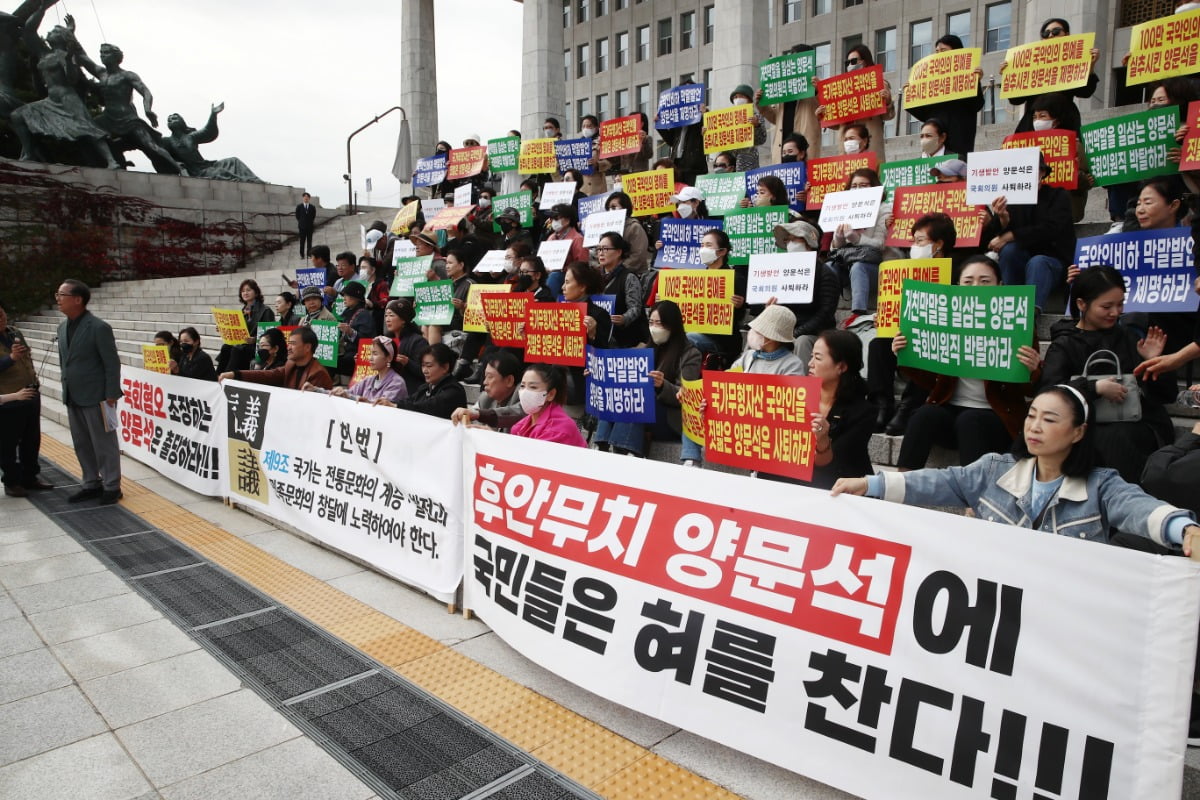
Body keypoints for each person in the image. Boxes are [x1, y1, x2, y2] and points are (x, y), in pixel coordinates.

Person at [831, 385, 1200, 556]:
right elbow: (936, 481)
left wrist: (1182, 529)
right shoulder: (994, 470)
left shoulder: (1101, 486)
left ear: (1078, 432)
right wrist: (869, 484)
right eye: (1032, 416)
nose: (1035, 427)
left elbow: (1139, 509)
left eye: (1050, 419)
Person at [892, 256, 1043, 470]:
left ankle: (971, 501)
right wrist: (905, 354)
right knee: (923, 414)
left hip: (997, 418)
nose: (976, 287)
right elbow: (929, 381)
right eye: (968, 281)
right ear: (957, 287)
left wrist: (1033, 369)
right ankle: (901, 484)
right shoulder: (945, 321)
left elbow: (1029, 389)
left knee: (970, 420)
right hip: (950, 412)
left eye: (984, 281)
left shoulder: (1018, 324)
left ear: (1000, 286)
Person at [1040, 265, 1176, 483]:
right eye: (1106, 306)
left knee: (1121, 438)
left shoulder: (1129, 338)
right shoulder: (1065, 344)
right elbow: (1050, 392)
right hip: (1083, 425)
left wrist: (1152, 362)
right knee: (1100, 439)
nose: (1116, 312)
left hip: (1134, 425)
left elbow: (1166, 395)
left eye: (1120, 304)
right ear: (1081, 304)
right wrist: (1094, 388)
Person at [867, 212, 955, 434]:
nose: (915, 247)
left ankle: (908, 407)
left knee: (925, 347)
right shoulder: (905, 273)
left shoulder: (958, 274)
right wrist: (886, 317)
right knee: (878, 345)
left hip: (937, 339)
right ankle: (882, 404)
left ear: (939, 244)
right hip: (904, 334)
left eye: (920, 241)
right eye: (913, 241)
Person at [594, 300, 701, 456]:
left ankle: (625, 450)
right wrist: (599, 373)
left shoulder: (690, 354)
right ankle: (601, 445)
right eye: (651, 322)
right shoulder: (644, 348)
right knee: (619, 390)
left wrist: (662, 385)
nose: (654, 328)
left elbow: (688, 395)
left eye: (659, 323)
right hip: (642, 416)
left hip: (669, 418)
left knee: (642, 395)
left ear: (672, 325)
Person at [55, 279, 123, 505]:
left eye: (61, 294)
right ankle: (90, 483)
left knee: (104, 443)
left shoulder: (98, 327)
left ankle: (112, 486)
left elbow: (111, 363)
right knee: (82, 442)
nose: (57, 299)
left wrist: (111, 393)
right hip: (73, 394)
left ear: (78, 299)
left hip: (97, 396)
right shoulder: (62, 327)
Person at [782, 329, 874, 489]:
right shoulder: (795, 397)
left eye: (818, 358)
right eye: (811, 357)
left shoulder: (863, 412)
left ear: (841, 367)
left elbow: (833, 466)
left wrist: (822, 440)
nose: (810, 364)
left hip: (840, 487)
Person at [982, 155, 1072, 313]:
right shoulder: (1011, 198)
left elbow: (1051, 228)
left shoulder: (1058, 195)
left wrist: (1010, 235)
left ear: (1042, 172)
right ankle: (1008, 306)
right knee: (1009, 251)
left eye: (1028, 171)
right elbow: (996, 237)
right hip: (1021, 261)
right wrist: (1002, 217)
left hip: (1053, 261)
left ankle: (1030, 315)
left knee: (1038, 262)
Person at [1006, 18, 1100, 134]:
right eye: (1046, 33)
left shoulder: (1073, 60)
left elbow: (1085, 92)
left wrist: (1090, 66)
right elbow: (1015, 100)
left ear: (1066, 34)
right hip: (1032, 125)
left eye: (1056, 31)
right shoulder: (1031, 63)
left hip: (1064, 123)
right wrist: (1009, 75)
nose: (1050, 35)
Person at [771, 220, 838, 367]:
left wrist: (797, 332)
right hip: (787, 329)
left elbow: (825, 313)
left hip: (816, 332)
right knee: (758, 336)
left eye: (794, 239)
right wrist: (771, 307)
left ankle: (801, 388)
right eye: (787, 240)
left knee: (802, 341)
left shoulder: (825, 273)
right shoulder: (783, 273)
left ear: (809, 242)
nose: (789, 244)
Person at [902, 35, 984, 155]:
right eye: (937, 52)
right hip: (935, 141)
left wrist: (975, 81)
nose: (939, 54)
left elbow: (976, 105)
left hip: (958, 139)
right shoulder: (930, 82)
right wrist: (910, 95)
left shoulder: (967, 77)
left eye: (943, 51)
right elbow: (923, 114)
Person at [0, 303, 48, 497]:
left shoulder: (13, 332)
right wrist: (11, 358)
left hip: (30, 392)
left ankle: (30, 477)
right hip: (9, 398)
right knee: (8, 443)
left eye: (2, 314)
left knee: (32, 438)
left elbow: (27, 356)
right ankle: (12, 481)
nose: (1, 319)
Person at [817, 45, 895, 162]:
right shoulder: (841, 89)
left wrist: (887, 101)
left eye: (854, 61)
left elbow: (888, 115)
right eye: (847, 62)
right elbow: (837, 123)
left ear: (865, 62)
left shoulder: (879, 83)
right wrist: (823, 116)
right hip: (847, 148)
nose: (850, 65)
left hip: (870, 146)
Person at [831, 168, 889, 317]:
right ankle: (828, 311)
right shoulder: (844, 208)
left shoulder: (884, 209)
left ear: (874, 186)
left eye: (863, 185)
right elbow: (834, 248)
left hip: (872, 265)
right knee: (828, 267)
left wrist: (856, 238)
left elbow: (880, 244)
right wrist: (838, 237)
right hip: (846, 261)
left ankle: (858, 313)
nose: (858, 189)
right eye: (854, 186)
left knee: (858, 267)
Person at [161, 103, 262, 182]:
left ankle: (256, 181)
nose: (170, 120)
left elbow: (208, 131)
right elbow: (161, 154)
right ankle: (243, 181)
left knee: (234, 161)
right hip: (196, 172)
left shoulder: (191, 136)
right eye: (168, 119)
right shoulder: (168, 141)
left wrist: (213, 115)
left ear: (182, 122)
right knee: (220, 172)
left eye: (174, 118)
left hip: (206, 166)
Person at [758, 43, 823, 161]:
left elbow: (826, 112)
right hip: (782, 152)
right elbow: (774, 118)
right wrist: (761, 103)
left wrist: (820, 91)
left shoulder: (815, 87)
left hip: (803, 151)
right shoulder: (782, 89)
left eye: (797, 59)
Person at [220, 326, 332, 391]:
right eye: (289, 343)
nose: (289, 347)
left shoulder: (318, 373)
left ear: (307, 347)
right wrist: (236, 374)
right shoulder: (290, 365)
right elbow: (269, 375)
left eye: (293, 343)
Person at [379, 343, 466, 419]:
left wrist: (396, 406)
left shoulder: (454, 390)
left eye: (429, 366)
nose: (424, 370)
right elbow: (408, 401)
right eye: (423, 366)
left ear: (445, 367)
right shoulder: (425, 388)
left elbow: (428, 406)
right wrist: (384, 403)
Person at [510, 364, 587, 447]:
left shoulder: (558, 430)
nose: (525, 392)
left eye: (533, 387)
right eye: (522, 386)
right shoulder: (520, 426)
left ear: (550, 394)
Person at [595, 231, 649, 348]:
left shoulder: (629, 277)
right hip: (603, 334)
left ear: (619, 252)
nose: (601, 253)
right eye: (599, 249)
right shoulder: (595, 276)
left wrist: (624, 318)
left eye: (605, 249)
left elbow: (635, 308)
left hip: (627, 338)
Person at [451, 351, 524, 431]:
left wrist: (478, 414)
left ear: (509, 380)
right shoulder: (485, 398)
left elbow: (516, 413)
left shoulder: (522, 397)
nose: (484, 382)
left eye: (490, 377)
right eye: (485, 377)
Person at [324, 336, 408, 404]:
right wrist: (316, 389)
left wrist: (351, 397)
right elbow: (349, 393)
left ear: (389, 358)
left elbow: (382, 407)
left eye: (375, 354)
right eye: (370, 353)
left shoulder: (397, 383)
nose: (370, 358)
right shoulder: (368, 380)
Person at [656, 79, 708, 186]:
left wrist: (704, 115)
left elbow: (709, 134)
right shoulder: (677, 118)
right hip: (677, 165)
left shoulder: (703, 113)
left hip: (694, 167)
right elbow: (671, 141)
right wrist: (659, 125)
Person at [216, 279, 274, 374]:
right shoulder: (242, 312)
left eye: (248, 290)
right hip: (243, 345)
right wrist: (223, 329)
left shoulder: (266, 311)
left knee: (236, 349)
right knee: (226, 347)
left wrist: (254, 339)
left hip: (257, 347)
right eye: (243, 291)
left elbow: (271, 334)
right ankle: (217, 377)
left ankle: (227, 377)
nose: (245, 293)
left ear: (256, 293)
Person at [382, 299, 430, 396]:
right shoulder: (384, 340)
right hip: (386, 388)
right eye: (386, 316)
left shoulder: (418, 341)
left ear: (403, 320)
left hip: (408, 392)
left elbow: (426, 371)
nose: (387, 319)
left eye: (391, 315)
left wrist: (408, 362)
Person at [603, 191, 651, 275]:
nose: (610, 210)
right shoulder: (607, 228)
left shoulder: (634, 227)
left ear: (625, 208)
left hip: (634, 274)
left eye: (614, 207)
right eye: (608, 208)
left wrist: (618, 270)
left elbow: (638, 256)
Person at [336, 282, 376, 376]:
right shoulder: (348, 313)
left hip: (356, 355)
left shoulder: (364, 315)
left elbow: (366, 341)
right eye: (344, 295)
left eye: (347, 295)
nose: (344, 298)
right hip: (346, 352)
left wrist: (351, 332)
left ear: (356, 298)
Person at [727, 84, 768, 171]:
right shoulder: (728, 119)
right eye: (735, 97)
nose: (737, 99)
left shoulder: (756, 116)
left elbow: (762, 139)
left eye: (740, 96)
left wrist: (757, 126)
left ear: (749, 99)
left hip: (748, 165)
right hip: (730, 164)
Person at [296, 192, 316, 258]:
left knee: (309, 241)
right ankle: (302, 255)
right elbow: (297, 216)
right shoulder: (299, 207)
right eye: (305, 197)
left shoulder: (312, 207)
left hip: (310, 227)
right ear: (303, 198)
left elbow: (313, 216)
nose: (306, 198)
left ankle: (309, 254)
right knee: (302, 241)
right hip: (302, 227)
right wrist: (302, 222)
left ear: (309, 198)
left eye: (307, 197)